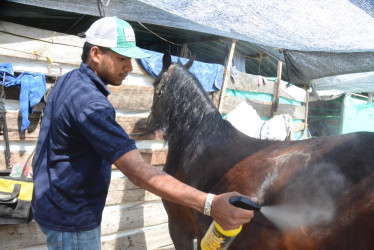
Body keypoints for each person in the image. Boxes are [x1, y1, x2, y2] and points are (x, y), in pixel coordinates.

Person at [31, 16, 255, 249]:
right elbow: (138, 172)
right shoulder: (91, 104)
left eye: (130, 59)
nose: (129, 67)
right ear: (96, 54)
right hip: (72, 221)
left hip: (52, 205)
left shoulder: (68, 81)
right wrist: (210, 203)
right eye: (122, 59)